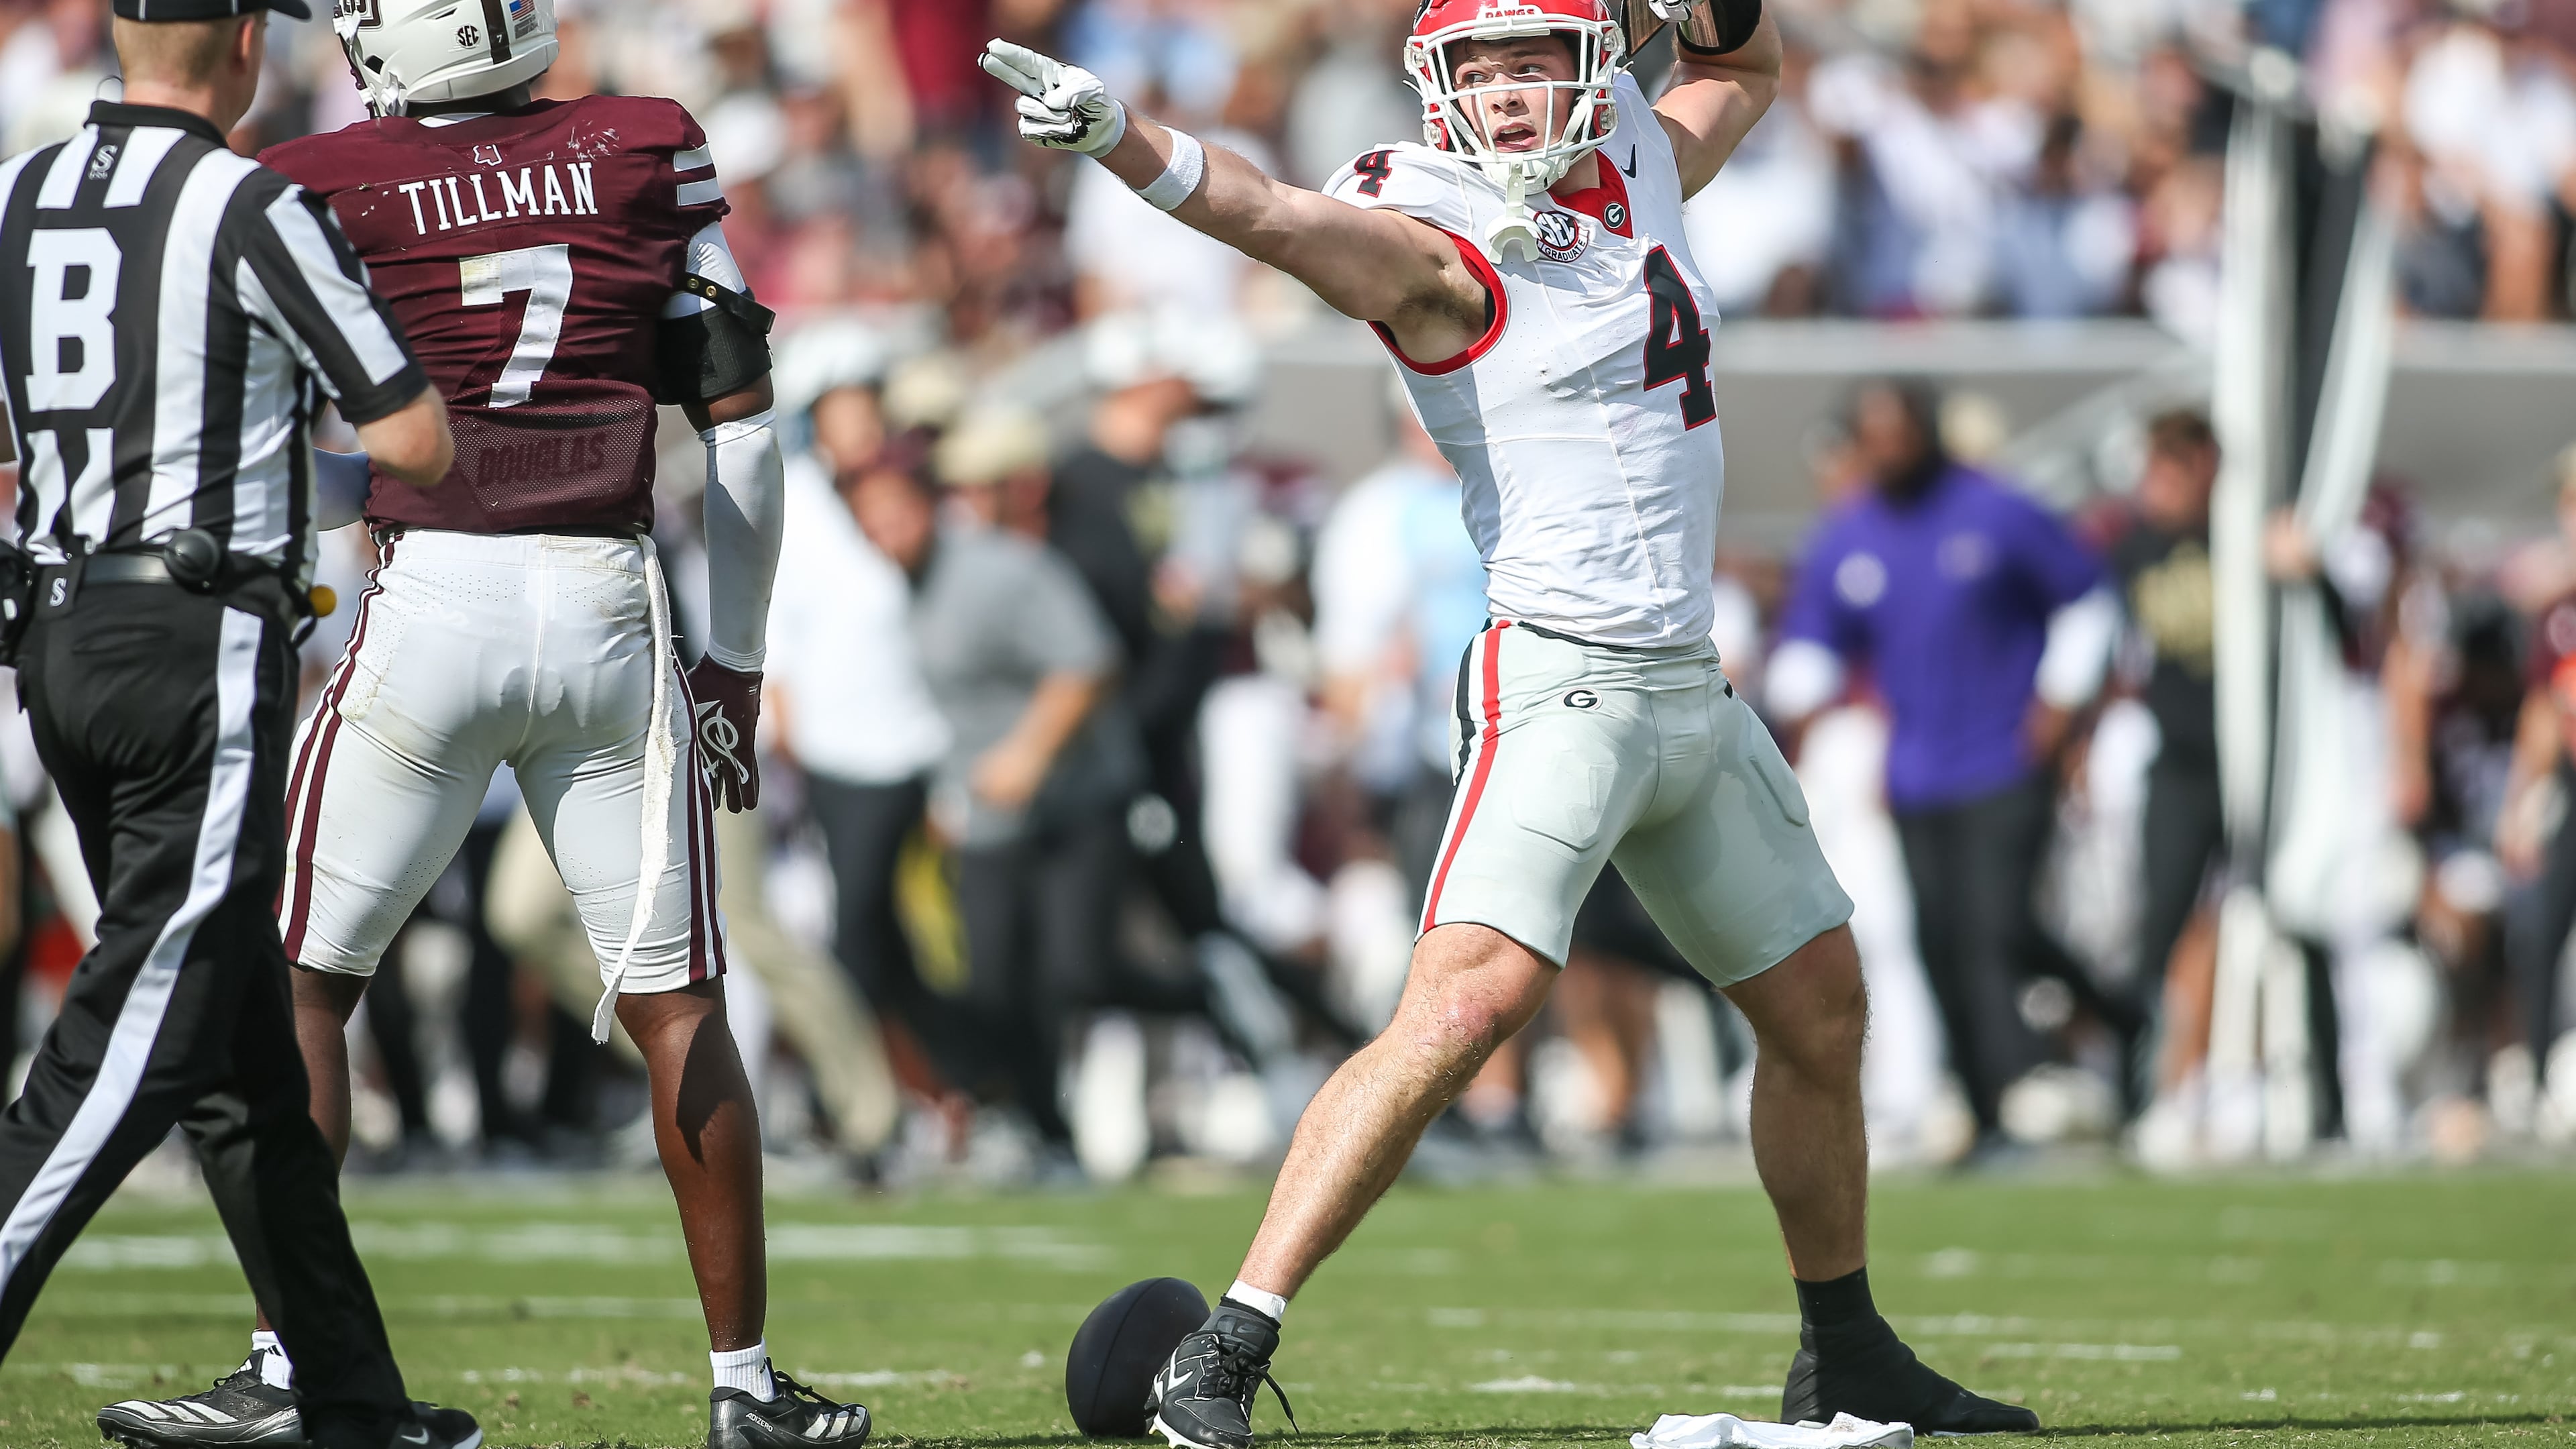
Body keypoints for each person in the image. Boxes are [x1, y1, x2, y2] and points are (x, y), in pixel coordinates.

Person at [980, 3, 2037, 1444]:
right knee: (1468, 1002)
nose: (1510, 92)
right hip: (1564, 684)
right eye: (1477, 69)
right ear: (1435, 87)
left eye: (1534, 58)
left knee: (1820, 1016)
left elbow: (1743, 61)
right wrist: (1124, 143)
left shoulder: (1638, 163)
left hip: (1690, 685)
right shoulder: (1431, 229)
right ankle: (1221, 1353)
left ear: (1595, 57)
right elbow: (1281, 220)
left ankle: (1843, 1353)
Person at [101, 0, 869, 1443]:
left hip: (433, 593)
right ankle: (745, 1391)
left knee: (304, 986)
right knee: (679, 1006)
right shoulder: (647, 144)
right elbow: (746, 434)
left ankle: (286, 1369)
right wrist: (740, 664)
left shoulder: (328, 175)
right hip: (610, 603)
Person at [0, 2, 482, 1445]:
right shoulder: (246, 199)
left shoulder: (24, 190)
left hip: (61, 633)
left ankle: (344, 1392)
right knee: (146, 1012)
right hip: (194, 634)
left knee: (231, 1031)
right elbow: (414, 438)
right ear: (239, 48)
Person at [1769, 379, 2124, 1150]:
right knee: (1939, 938)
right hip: (1916, 771)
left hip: (2004, 755)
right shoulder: (1851, 534)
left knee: (1994, 927)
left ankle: (2050, 1057)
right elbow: (1814, 645)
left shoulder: (1995, 510)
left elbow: (2088, 599)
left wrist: (2059, 705)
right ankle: (1986, 1102)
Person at [2107, 410, 2225, 1101]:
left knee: (2286, 916)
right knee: (2157, 929)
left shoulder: (2240, 534)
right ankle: (2135, 1092)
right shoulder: (2133, 549)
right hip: (2179, 759)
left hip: (2252, 760)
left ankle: (2315, 1091)